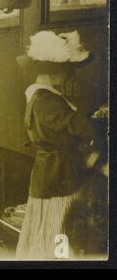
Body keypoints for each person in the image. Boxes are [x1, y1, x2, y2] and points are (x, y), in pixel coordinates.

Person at [15, 30, 98, 259]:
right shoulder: (47, 100)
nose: (66, 77)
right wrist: (99, 123)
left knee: (47, 229)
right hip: (58, 175)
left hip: (49, 174)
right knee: (58, 227)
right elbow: (74, 124)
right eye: (62, 73)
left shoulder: (39, 96)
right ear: (51, 74)